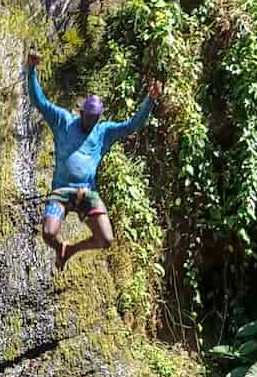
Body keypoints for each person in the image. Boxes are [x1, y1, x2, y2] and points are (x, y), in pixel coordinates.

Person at [26, 53, 162, 271]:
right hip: (61, 192)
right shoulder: (63, 121)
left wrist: (151, 100)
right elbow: (38, 101)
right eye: (87, 117)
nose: (89, 122)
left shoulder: (103, 133)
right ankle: (61, 247)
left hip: (87, 193)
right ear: (81, 112)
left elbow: (133, 125)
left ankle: (71, 250)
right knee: (49, 233)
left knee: (106, 239)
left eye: (94, 119)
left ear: (99, 118)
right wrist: (31, 69)